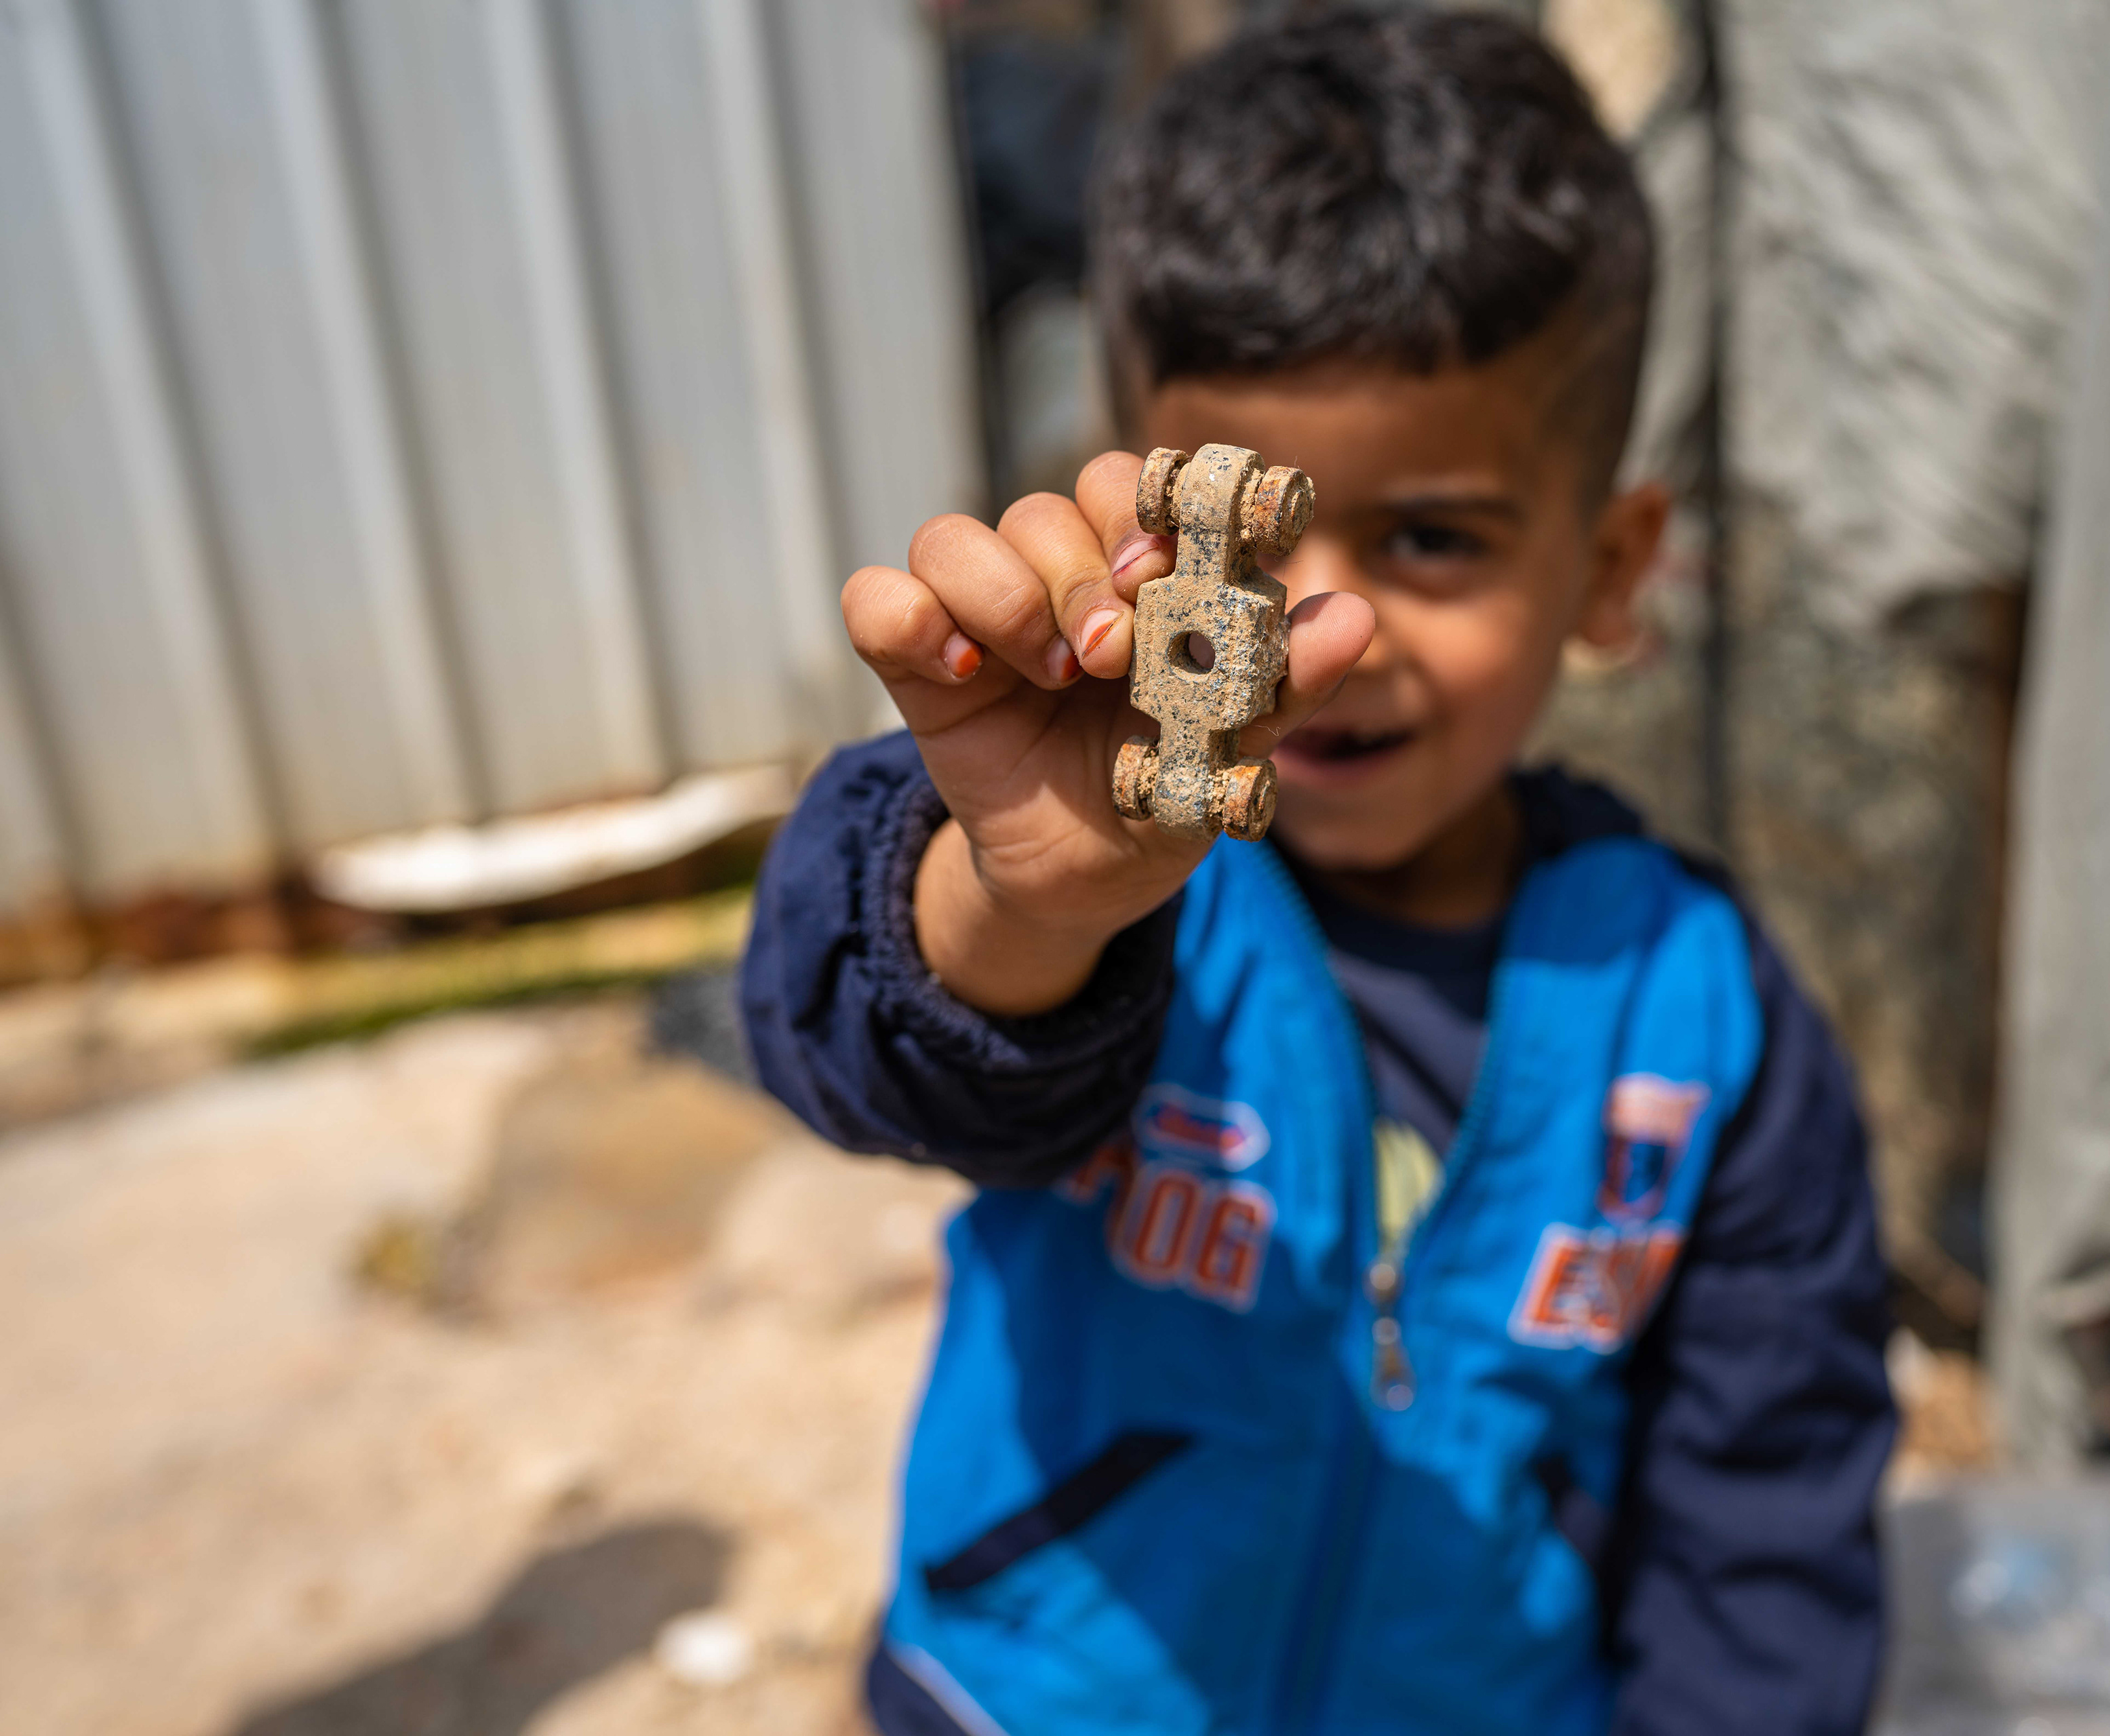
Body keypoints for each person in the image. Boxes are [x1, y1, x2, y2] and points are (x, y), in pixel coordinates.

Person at [739, 12, 1894, 1733]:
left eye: (1432, 538)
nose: (1318, 635)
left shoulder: (1701, 1019)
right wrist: (1028, 901)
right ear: (1137, 521)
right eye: (1249, 550)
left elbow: (1767, 1513)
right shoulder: (1126, 882)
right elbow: (838, 1024)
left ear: (1612, 564)